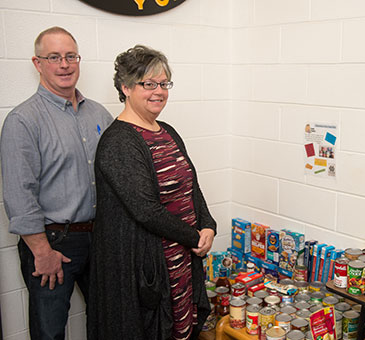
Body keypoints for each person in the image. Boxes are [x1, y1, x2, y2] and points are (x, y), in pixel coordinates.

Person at [88, 45, 216, 340]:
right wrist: (195, 236)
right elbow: (145, 210)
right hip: (151, 267)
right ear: (126, 87)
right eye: (148, 84)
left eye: (163, 83)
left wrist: (208, 223)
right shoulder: (119, 141)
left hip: (181, 260)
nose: (158, 91)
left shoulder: (168, 131)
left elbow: (190, 185)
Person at [0, 27, 113, 340]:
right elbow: (18, 194)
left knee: (108, 321)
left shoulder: (99, 114)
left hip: (100, 238)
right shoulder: (23, 120)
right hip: (53, 243)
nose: (64, 64)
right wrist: (41, 251)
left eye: (71, 56)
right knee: (49, 331)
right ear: (38, 63)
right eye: (54, 57)